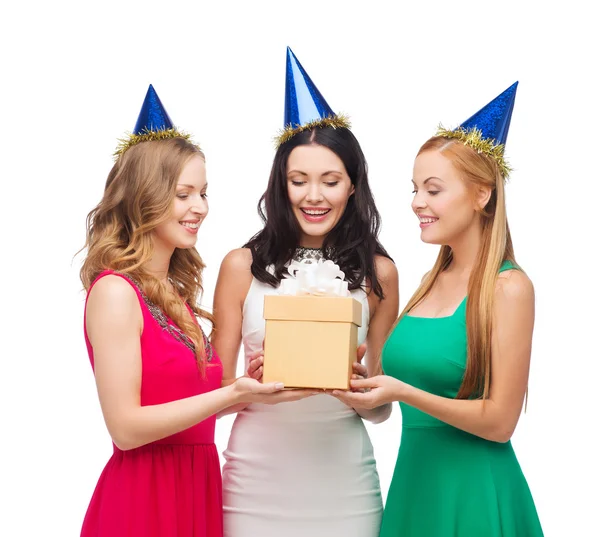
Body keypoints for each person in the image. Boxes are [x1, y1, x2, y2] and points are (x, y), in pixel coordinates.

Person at [334, 82, 544, 536]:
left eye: (433, 189)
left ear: (482, 195)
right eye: (414, 189)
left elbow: (501, 422)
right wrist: (356, 380)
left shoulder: (509, 288)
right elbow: (398, 381)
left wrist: (402, 392)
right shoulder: (429, 282)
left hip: (474, 494)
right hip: (415, 486)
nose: (416, 203)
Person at [79, 85, 284, 537]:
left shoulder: (174, 298)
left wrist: (250, 388)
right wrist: (231, 395)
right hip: (142, 501)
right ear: (142, 197)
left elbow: (188, 412)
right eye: (183, 194)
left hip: (195, 490)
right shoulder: (115, 292)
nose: (200, 208)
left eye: (203, 193)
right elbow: (125, 428)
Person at [212, 48, 399, 537]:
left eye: (330, 181)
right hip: (254, 481)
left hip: (345, 483)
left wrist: (357, 389)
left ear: (353, 186)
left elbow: (382, 408)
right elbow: (209, 395)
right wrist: (246, 387)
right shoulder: (240, 266)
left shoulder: (380, 273)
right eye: (299, 181)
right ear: (281, 184)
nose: (314, 196)